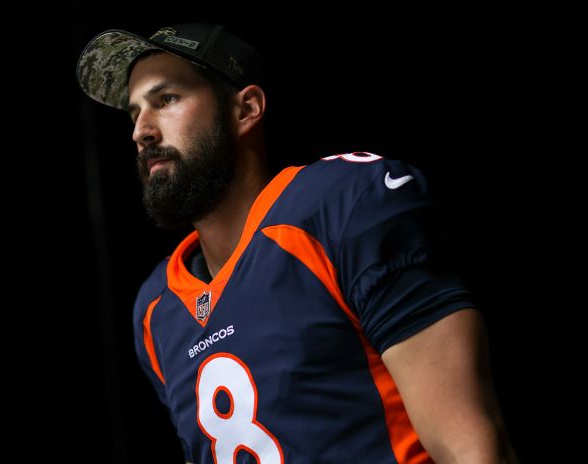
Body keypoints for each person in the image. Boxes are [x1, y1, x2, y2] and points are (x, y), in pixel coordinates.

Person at [77, 23, 518, 463]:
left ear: (246, 109)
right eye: (135, 113)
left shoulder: (343, 205)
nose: (142, 132)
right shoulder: (156, 309)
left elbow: (471, 448)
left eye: (166, 100)